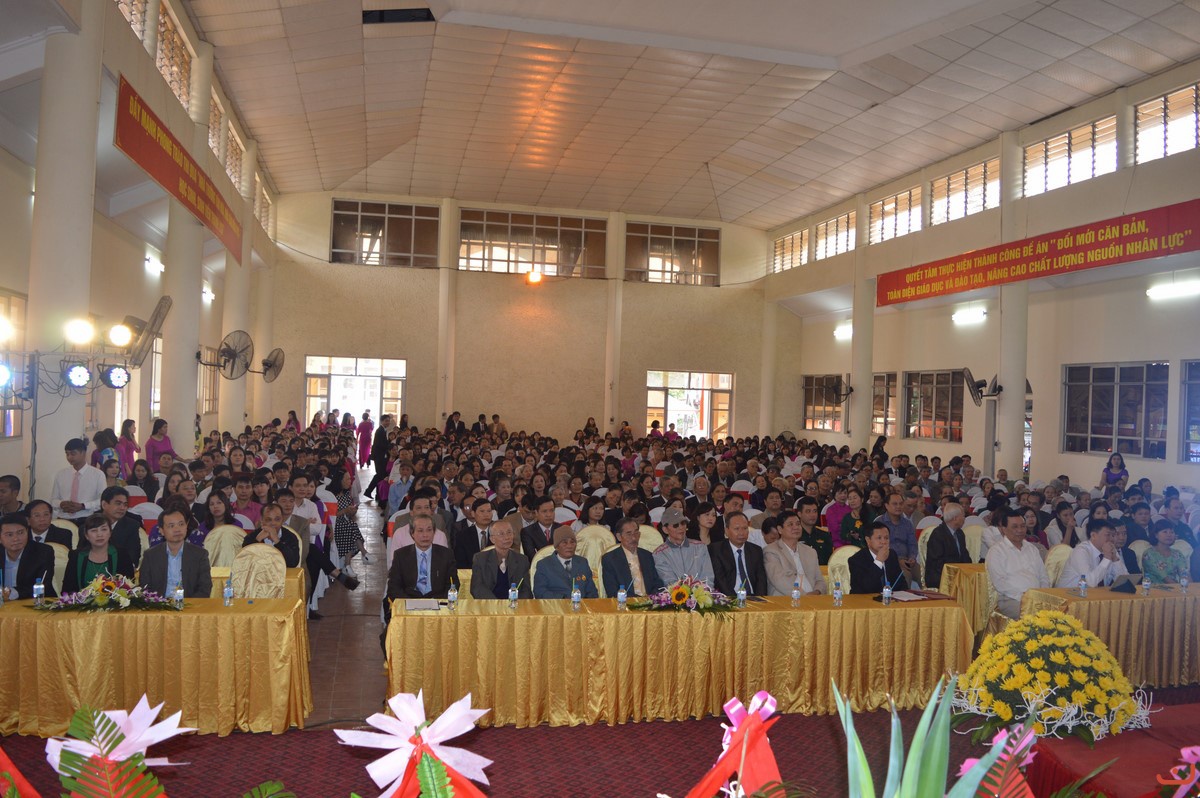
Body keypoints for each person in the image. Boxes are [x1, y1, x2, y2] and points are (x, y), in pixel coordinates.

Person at [987, 509, 1050, 618]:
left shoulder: (1032, 548)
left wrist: (1041, 595)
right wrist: (1025, 598)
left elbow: (1043, 577)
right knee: (1033, 618)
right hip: (1011, 599)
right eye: (1015, 527)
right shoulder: (996, 551)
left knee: (1059, 615)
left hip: (1037, 597)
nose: (1020, 530)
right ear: (1004, 529)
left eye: (1022, 526)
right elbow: (1000, 583)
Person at [138, 507, 213, 598]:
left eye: (181, 524)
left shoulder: (200, 554)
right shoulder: (150, 555)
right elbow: (145, 588)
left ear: (186, 526)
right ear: (161, 531)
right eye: (171, 526)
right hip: (159, 604)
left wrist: (187, 604)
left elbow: (204, 588)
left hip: (189, 604)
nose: (177, 529)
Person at [62, 513, 136, 593]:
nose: (99, 534)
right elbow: (67, 590)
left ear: (110, 533)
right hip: (81, 600)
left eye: (104, 529)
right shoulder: (76, 556)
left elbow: (129, 588)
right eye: (94, 530)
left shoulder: (122, 555)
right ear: (86, 535)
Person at [387, 515, 453, 599]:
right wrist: (409, 602)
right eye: (420, 531)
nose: (425, 535)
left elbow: (453, 584)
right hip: (409, 600)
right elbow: (393, 586)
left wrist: (440, 602)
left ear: (434, 532)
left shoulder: (446, 555)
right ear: (412, 533)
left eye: (429, 530)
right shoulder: (401, 555)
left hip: (437, 601)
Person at [764, 510, 825, 596]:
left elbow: (820, 580)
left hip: (813, 598)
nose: (796, 527)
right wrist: (805, 596)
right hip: (785, 599)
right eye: (790, 524)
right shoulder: (771, 551)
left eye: (798, 524)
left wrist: (816, 592)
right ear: (780, 529)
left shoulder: (810, 551)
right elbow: (779, 581)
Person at [470, 518, 533, 599]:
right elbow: (477, 587)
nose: (507, 537)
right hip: (490, 604)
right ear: (492, 539)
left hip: (515, 604)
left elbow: (526, 590)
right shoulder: (480, 559)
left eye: (509, 532)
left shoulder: (522, 560)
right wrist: (495, 603)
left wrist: (514, 602)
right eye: (501, 534)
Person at [602, 516, 665, 598]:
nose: (634, 538)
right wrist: (638, 600)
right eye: (629, 534)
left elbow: (657, 583)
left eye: (636, 533)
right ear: (619, 537)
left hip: (649, 601)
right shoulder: (610, 559)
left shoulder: (647, 556)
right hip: (625, 603)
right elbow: (612, 591)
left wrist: (651, 598)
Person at [1058, 518, 1129, 589]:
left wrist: (1115, 559)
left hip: (1096, 594)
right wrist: (1107, 558)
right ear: (1093, 536)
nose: (1111, 539)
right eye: (1108, 535)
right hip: (1069, 593)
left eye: (1113, 535)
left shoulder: (1110, 549)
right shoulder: (1081, 551)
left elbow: (1125, 581)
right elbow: (1089, 583)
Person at [710, 511, 768, 596]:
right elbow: (720, 580)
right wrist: (735, 600)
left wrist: (759, 599)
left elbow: (761, 580)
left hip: (753, 597)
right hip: (730, 597)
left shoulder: (756, 550)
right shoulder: (716, 550)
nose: (741, 533)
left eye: (745, 528)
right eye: (737, 529)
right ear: (726, 531)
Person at [0, 513, 56, 600]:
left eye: (20, 533)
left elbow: (43, 584)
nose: (16, 539)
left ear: (27, 532)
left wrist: (12, 593)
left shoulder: (43, 552)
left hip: (36, 602)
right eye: (9, 535)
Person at [653, 507, 714, 585]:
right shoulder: (659, 553)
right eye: (675, 525)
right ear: (665, 529)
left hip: (702, 591)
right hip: (675, 592)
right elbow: (669, 581)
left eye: (683, 523)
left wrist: (703, 590)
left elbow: (708, 577)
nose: (681, 527)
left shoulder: (700, 547)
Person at [533, 527, 598, 599]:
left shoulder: (583, 562)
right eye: (565, 542)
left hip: (582, 604)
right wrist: (563, 599)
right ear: (556, 547)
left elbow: (592, 592)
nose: (569, 546)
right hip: (556, 604)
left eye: (572, 542)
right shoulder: (544, 565)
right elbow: (540, 592)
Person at [50, 438, 106, 520]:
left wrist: (83, 506)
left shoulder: (98, 475)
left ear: (83, 453)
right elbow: (53, 500)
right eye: (67, 454)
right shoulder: (61, 474)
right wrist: (61, 504)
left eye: (73, 454)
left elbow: (102, 500)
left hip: (86, 519)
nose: (69, 457)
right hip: (63, 518)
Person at [848, 520, 907, 595]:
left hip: (890, 599)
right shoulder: (856, 560)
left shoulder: (892, 554)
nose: (883, 542)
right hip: (865, 600)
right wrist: (878, 561)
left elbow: (901, 583)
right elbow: (866, 588)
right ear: (868, 540)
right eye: (879, 538)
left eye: (886, 538)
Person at [922, 503, 972, 590]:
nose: (964, 519)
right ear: (955, 518)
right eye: (963, 516)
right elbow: (938, 563)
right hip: (941, 576)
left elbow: (965, 556)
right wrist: (957, 572)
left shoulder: (960, 533)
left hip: (957, 573)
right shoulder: (938, 534)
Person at [879, 490, 921, 587]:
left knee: (923, 575)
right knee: (905, 576)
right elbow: (880, 547)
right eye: (895, 504)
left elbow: (912, 544)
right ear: (886, 505)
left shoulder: (907, 523)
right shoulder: (880, 524)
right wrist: (897, 560)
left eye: (901, 504)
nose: (898, 506)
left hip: (907, 560)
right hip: (888, 561)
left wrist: (912, 557)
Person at [242, 503, 301, 568]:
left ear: (282, 520)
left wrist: (277, 541)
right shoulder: (252, 536)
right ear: (262, 520)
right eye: (268, 520)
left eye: (277, 519)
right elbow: (244, 561)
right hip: (258, 572)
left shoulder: (290, 537)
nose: (273, 523)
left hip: (283, 572)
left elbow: (293, 563)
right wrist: (257, 539)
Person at [330, 469, 365, 568]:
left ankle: (348, 564)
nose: (350, 481)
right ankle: (362, 553)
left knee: (350, 525)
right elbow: (331, 515)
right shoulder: (332, 496)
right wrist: (345, 511)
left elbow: (349, 514)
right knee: (349, 527)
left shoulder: (346, 494)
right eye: (347, 479)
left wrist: (352, 511)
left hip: (344, 522)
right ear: (340, 481)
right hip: (333, 524)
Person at [1143, 519, 1189, 584]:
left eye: (1172, 532)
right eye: (1165, 532)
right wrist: (1180, 588)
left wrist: (1191, 587)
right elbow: (1166, 579)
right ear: (1156, 535)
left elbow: (1185, 574)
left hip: (1176, 588)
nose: (1169, 535)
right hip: (1155, 589)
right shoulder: (1148, 554)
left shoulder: (1177, 554)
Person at [453, 497, 494, 569]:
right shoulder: (462, 536)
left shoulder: (498, 532)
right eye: (482, 511)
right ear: (473, 513)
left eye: (489, 511)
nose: (486, 514)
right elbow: (460, 562)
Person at [363, 414, 394, 500]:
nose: (388, 422)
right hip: (379, 457)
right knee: (379, 475)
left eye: (388, 421)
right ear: (382, 421)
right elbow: (380, 445)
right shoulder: (380, 431)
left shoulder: (383, 430)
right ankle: (369, 491)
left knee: (380, 475)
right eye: (386, 421)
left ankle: (376, 493)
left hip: (380, 456)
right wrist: (389, 445)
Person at [795, 496, 833, 565]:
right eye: (808, 511)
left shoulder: (824, 535)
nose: (812, 515)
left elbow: (830, 560)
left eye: (815, 511)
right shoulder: (794, 536)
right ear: (799, 514)